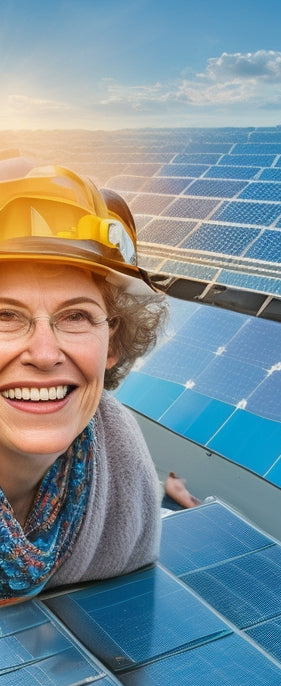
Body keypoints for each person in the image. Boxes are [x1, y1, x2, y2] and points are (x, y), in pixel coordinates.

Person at [0, 157, 167, 603]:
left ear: (112, 341)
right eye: (4, 315)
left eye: (76, 316)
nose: (44, 353)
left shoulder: (119, 462)